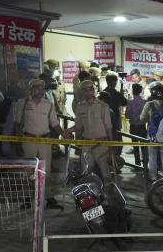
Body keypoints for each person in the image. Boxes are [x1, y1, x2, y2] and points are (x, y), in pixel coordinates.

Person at [13, 78, 66, 209]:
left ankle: (48, 198)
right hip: (28, 140)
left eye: (42, 88)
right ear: (31, 89)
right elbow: (18, 124)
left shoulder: (49, 104)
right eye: (37, 88)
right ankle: (26, 198)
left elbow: (54, 123)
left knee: (46, 170)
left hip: (45, 140)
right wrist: (18, 143)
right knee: (28, 170)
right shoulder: (22, 103)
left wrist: (64, 133)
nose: (40, 91)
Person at [65, 80, 115, 184]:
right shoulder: (80, 106)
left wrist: (111, 147)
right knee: (87, 174)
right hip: (86, 145)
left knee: (106, 175)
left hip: (102, 145)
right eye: (85, 90)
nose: (89, 92)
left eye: (90, 89)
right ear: (82, 92)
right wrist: (68, 130)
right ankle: (91, 198)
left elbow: (108, 128)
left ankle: (110, 197)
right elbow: (78, 126)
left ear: (94, 90)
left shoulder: (103, 106)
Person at [98, 72, 127, 167]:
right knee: (117, 141)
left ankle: (107, 163)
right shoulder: (117, 94)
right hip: (114, 119)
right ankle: (114, 164)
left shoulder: (102, 93)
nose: (115, 83)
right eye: (115, 81)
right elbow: (124, 102)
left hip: (103, 122)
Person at [125, 83, 148, 168]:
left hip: (134, 127)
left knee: (135, 147)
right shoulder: (145, 101)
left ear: (133, 90)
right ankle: (145, 163)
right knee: (144, 147)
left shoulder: (130, 102)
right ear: (140, 91)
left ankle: (137, 164)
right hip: (142, 127)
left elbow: (127, 115)